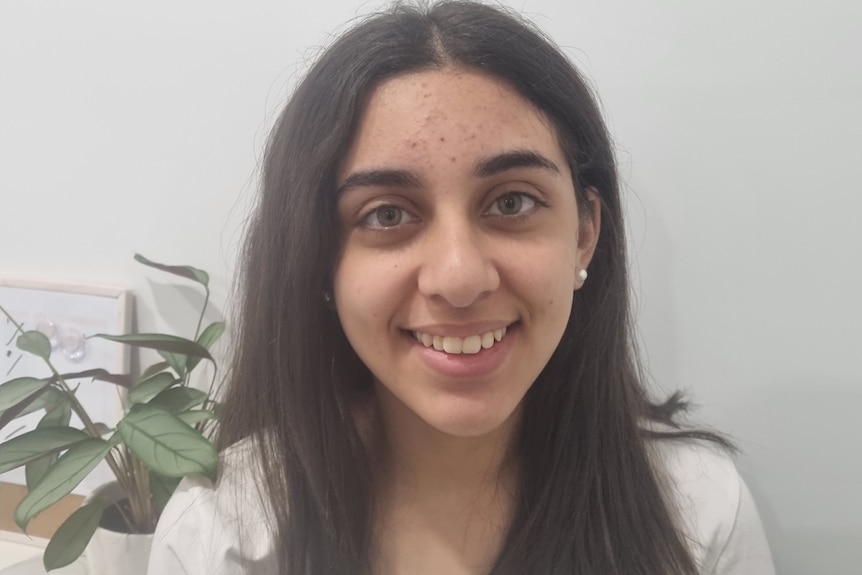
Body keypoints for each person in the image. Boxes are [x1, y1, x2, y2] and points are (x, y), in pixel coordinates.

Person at [147, 1, 775, 574]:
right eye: (387, 214)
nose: (459, 277)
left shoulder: (698, 515)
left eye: (512, 201)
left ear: (585, 234)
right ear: (318, 259)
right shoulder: (220, 534)